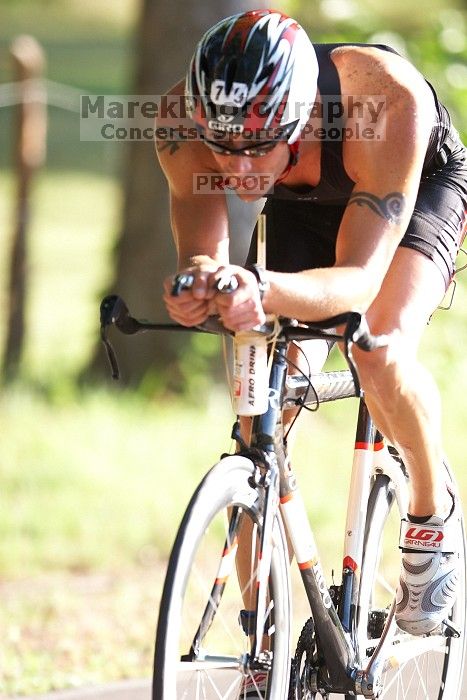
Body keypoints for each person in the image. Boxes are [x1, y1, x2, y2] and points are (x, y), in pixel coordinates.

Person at [156, 9, 467, 698]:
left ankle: (430, 504)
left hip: (407, 194)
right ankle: (261, 643)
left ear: (296, 122)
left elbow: (356, 283)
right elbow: (200, 246)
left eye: (253, 149)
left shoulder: (387, 101)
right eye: (222, 148)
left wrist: (261, 285)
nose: (235, 169)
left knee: (378, 344)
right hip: (300, 197)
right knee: (257, 409)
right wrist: (199, 283)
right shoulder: (183, 117)